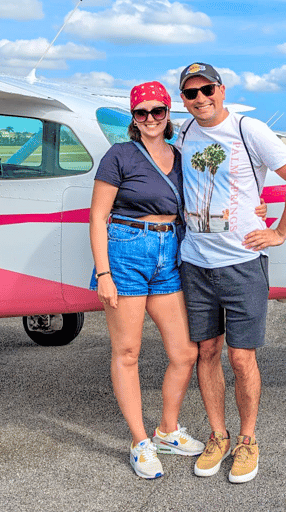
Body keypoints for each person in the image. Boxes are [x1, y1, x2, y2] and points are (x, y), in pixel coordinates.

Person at [175, 62, 286, 483]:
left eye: (207, 89)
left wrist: (280, 231)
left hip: (241, 263)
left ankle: (247, 440)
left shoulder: (248, 129)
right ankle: (218, 434)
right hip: (196, 262)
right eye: (191, 93)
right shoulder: (181, 132)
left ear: (221, 88)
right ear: (183, 98)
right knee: (207, 353)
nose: (201, 98)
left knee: (241, 356)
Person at [89, 81, 205, 479]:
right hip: (126, 251)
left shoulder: (179, 155)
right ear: (133, 119)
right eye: (142, 113)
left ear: (169, 115)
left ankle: (167, 430)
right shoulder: (119, 154)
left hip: (168, 252)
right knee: (128, 352)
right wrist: (103, 273)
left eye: (158, 112)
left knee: (185, 352)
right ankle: (140, 441)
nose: (151, 119)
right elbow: (97, 217)